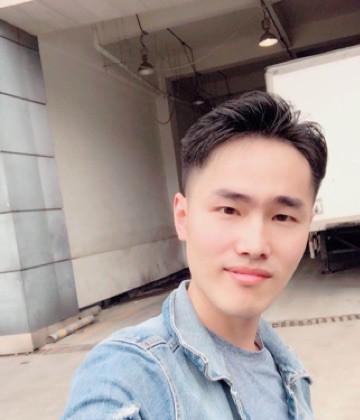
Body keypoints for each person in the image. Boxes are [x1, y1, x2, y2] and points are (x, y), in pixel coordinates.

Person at [62, 91, 328, 420]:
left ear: (307, 227)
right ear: (183, 218)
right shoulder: (129, 374)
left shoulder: (288, 371)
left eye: (283, 217)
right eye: (229, 210)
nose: (255, 244)